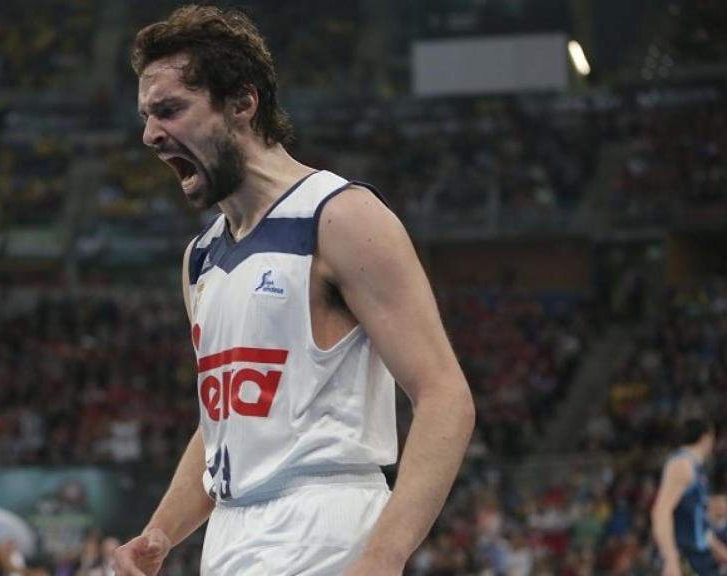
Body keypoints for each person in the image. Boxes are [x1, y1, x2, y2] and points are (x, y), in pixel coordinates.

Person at [114, 6, 475, 575]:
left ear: (242, 102)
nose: (151, 135)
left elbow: (445, 397)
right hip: (231, 539)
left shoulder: (340, 218)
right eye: (146, 116)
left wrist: (381, 557)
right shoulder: (201, 257)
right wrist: (159, 531)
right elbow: (223, 430)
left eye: (170, 110)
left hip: (326, 529)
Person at [652, 418, 727, 575]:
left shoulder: (696, 469)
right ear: (706, 437)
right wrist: (670, 558)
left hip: (701, 558)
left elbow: (699, 527)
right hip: (687, 557)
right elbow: (661, 511)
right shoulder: (682, 464)